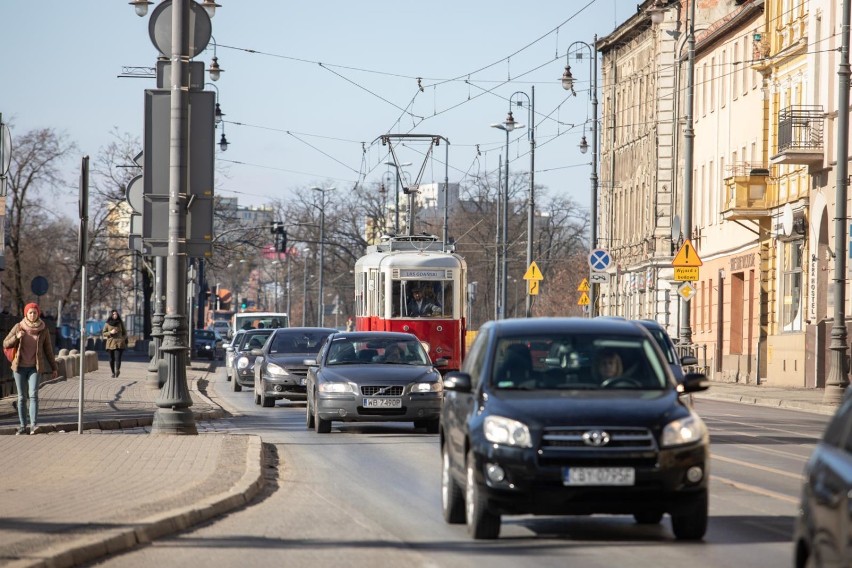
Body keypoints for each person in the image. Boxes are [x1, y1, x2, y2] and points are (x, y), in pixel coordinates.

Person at [3, 302, 58, 435]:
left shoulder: (43, 329)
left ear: (38, 313)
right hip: (19, 367)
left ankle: (34, 425)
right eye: (30, 312)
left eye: (35, 312)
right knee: (22, 397)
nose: (33, 315)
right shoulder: (19, 327)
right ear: (26, 314)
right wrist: (17, 337)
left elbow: (48, 350)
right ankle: (23, 426)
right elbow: (5, 343)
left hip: (35, 367)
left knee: (33, 395)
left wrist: (54, 367)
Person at [102, 309, 128, 378]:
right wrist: (110, 332)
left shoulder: (120, 322)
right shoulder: (107, 323)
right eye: (113, 314)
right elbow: (104, 333)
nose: (115, 315)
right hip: (110, 343)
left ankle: (117, 370)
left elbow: (125, 333)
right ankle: (113, 372)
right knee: (111, 359)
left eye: (116, 314)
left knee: (118, 358)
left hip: (119, 343)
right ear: (111, 315)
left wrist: (123, 338)